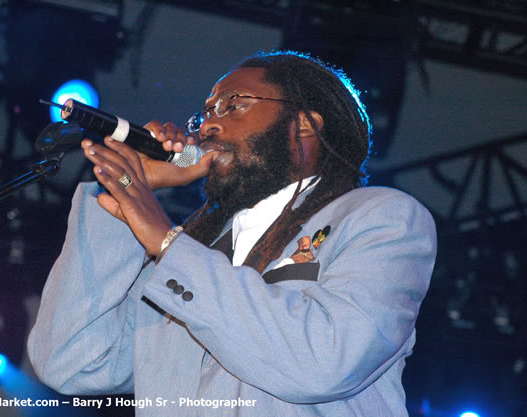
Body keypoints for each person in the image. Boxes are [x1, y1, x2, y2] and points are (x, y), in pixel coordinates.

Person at [27, 51, 437, 417]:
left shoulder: (382, 218)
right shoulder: (195, 249)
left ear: (306, 125)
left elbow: (328, 359)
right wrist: (124, 205)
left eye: (232, 106)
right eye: (205, 112)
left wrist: (167, 242)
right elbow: (71, 362)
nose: (208, 126)